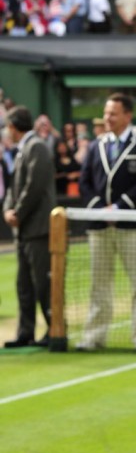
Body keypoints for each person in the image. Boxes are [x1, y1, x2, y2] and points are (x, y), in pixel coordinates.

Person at [77, 92, 136, 351]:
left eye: (113, 113)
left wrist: (120, 207)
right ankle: (94, 337)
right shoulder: (95, 145)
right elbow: (85, 182)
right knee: (99, 284)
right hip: (100, 226)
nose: (107, 118)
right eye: (106, 112)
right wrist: (101, 210)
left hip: (132, 225)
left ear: (127, 115)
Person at [2, 105, 55, 347]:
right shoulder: (24, 149)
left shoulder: (37, 147)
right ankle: (26, 332)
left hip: (38, 229)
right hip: (23, 230)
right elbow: (15, 188)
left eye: (7, 127)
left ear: (13, 127)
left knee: (43, 283)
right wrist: (8, 210)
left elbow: (34, 186)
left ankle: (54, 331)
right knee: (23, 284)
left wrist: (18, 212)